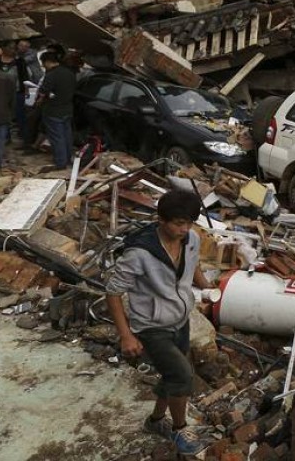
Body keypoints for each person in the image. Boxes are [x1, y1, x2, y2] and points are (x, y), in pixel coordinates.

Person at [106, 189, 212, 456]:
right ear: (161, 219)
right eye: (178, 223)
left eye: (189, 223)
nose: (184, 229)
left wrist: (207, 287)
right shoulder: (139, 252)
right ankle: (179, 429)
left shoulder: (191, 239)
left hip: (181, 319)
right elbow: (113, 291)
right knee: (181, 375)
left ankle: (155, 421)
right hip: (151, 326)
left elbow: (193, 264)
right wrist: (126, 335)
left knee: (171, 375)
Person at [37, 49, 76, 169]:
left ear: (48, 62)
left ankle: (60, 162)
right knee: (67, 136)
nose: (43, 66)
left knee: (57, 137)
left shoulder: (51, 75)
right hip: (68, 109)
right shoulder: (69, 72)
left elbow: (43, 92)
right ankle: (68, 158)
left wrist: (39, 100)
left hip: (53, 110)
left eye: (43, 63)